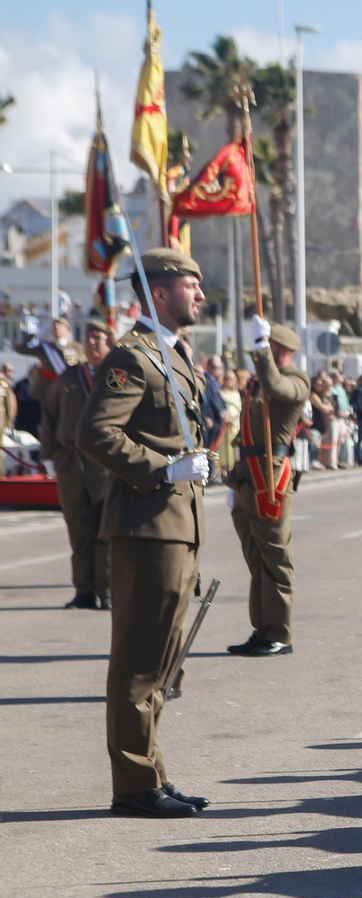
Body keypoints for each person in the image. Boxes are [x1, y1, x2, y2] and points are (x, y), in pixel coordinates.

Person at [77, 248, 213, 819]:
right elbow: (96, 432)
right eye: (191, 284)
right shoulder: (131, 358)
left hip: (176, 529)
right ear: (159, 293)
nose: (200, 295)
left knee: (160, 663)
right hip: (147, 528)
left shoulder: (172, 356)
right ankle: (133, 785)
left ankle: (151, 770)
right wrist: (165, 469)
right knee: (137, 660)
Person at [225, 316, 311, 658]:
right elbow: (245, 432)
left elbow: (279, 388)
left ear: (282, 351)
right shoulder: (259, 384)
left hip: (269, 478)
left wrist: (262, 355)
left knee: (275, 559)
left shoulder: (296, 380)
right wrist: (233, 479)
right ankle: (262, 629)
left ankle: (279, 632)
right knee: (256, 560)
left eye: (270, 347)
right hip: (248, 475)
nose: (263, 353)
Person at [38, 317, 113, 609]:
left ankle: (106, 590)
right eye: (89, 337)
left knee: (105, 530)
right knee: (77, 529)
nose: (92, 342)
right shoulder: (69, 378)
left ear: (109, 342)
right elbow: (49, 415)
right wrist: (48, 455)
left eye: (99, 337)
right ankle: (83, 590)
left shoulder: (116, 376)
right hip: (70, 464)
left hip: (105, 466)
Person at [218, 369, 242, 477]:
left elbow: (239, 408)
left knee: (233, 446)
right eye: (227, 378)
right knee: (223, 446)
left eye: (231, 379)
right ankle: (223, 468)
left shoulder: (236, 393)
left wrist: (234, 418)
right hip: (224, 423)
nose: (229, 381)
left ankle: (232, 468)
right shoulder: (220, 392)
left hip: (234, 423)